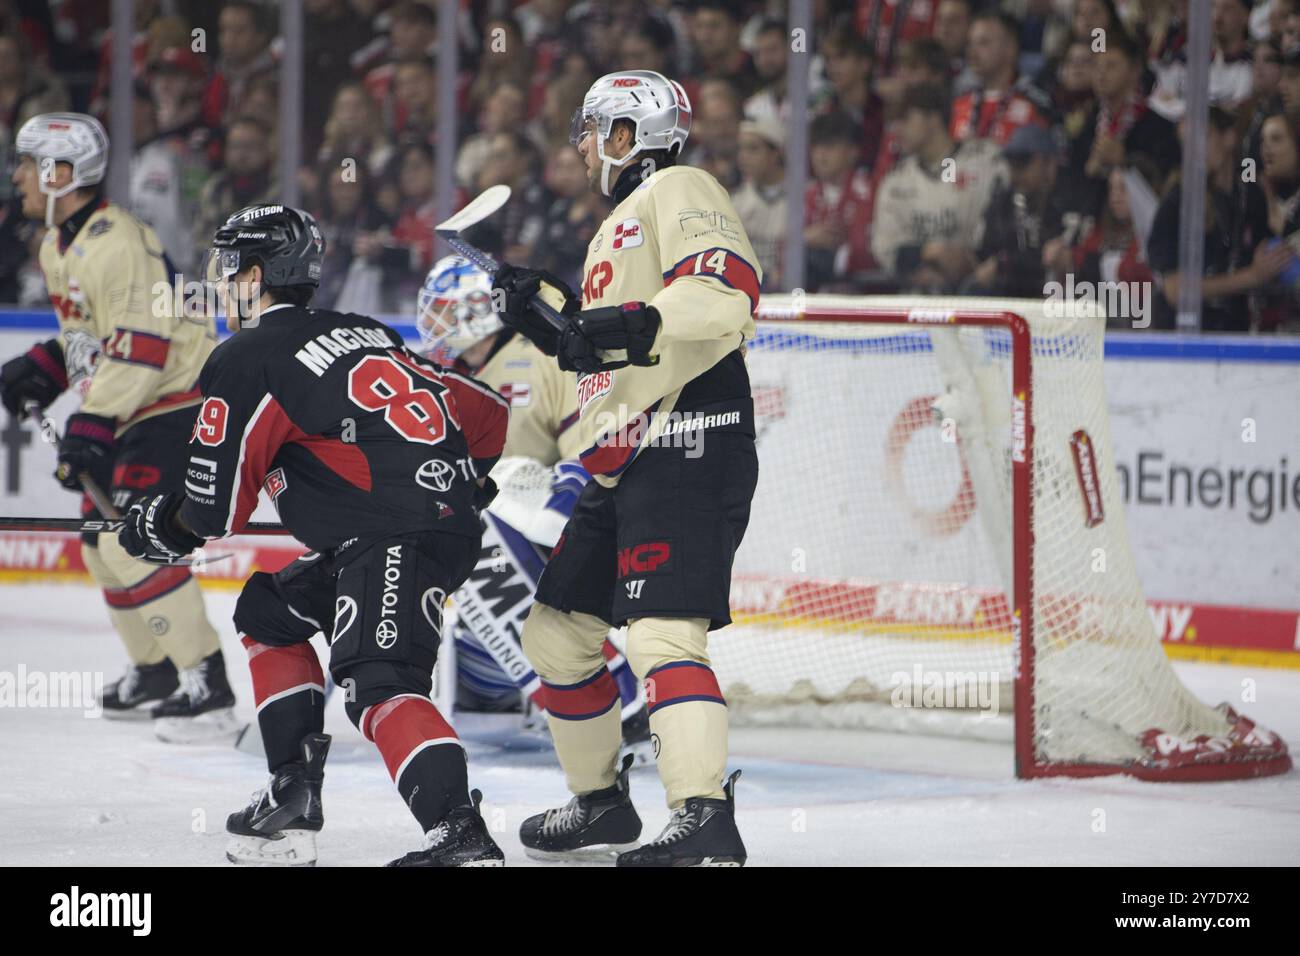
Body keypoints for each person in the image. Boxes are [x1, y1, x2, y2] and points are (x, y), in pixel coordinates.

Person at [117, 205, 510, 867]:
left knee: (379, 680)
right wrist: (458, 486)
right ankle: (293, 794)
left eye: (229, 265)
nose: (220, 280)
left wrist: (160, 525)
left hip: (394, 537)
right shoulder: (364, 331)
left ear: (258, 273)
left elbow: (213, 512)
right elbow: (487, 414)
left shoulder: (247, 357)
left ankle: (460, 834)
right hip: (399, 534)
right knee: (269, 611)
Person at [493, 69, 760, 867]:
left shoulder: (680, 184)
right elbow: (610, 353)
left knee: (662, 635)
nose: (581, 145)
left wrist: (610, 322)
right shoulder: (613, 228)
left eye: (594, 129)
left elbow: (725, 292)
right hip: (629, 462)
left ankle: (705, 817)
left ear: (628, 136)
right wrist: (553, 325)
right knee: (557, 638)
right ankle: (603, 806)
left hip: (690, 438)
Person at [0, 112, 232, 740]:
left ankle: (208, 685)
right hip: (138, 404)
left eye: (29, 164)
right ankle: (154, 668)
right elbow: (93, 335)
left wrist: (92, 422)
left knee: (130, 541)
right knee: (100, 545)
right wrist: (47, 367)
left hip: (179, 402)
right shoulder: (58, 245)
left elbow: (142, 346)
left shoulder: (117, 240)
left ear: (62, 173)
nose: (19, 175)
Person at [415, 256, 650, 754]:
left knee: (483, 523)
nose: (432, 324)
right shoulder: (437, 374)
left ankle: (616, 698)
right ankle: (495, 692)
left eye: (442, 311)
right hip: (476, 528)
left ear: (476, 311)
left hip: (547, 525)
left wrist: (561, 516)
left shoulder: (542, 357)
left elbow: (589, 450)